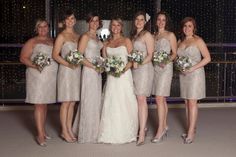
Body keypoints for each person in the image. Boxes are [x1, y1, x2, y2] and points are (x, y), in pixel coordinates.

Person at [98, 18, 138, 144]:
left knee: (124, 101)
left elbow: (132, 59)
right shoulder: (107, 42)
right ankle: (109, 132)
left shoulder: (127, 41)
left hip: (124, 75)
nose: (115, 27)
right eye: (113, 25)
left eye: (118, 25)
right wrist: (109, 67)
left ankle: (127, 132)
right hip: (111, 77)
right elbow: (104, 60)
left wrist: (121, 70)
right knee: (111, 101)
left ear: (121, 27)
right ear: (110, 27)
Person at [20, 19, 58, 146]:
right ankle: (40, 135)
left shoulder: (52, 41)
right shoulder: (32, 41)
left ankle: (43, 130)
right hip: (37, 76)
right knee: (39, 104)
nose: (43, 29)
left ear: (48, 28)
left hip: (50, 77)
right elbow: (23, 58)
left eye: (45, 26)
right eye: (40, 27)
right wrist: (36, 66)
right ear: (37, 29)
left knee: (45, 104)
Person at [177, 17, 211, 144]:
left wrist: (192, 68)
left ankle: (191, 132)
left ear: (194, 27)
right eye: (185, 26)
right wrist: (180, 66)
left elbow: (207, 58)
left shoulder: (198, 40)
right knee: (186, 102)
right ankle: (190, 128)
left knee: (192, 102)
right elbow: (178, 58)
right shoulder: (180, 41)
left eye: (189, 26)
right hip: (184, 75)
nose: (187, 28)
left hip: (195, 74)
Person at [72, 12, 103, 143]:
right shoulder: (85, 36)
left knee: (96, 100)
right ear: (88, 22)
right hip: (89, 72)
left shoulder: (97, 37)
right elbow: (78, 57)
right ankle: (87, 132)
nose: (94, 23)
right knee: (89, 100)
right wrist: (93, 66)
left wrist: (101, 65)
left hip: (97, 73)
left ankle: (95, 130)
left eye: (96, 20)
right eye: (92, 21)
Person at [52, 10, 80, 143]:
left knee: (73, 101)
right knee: (66, 101)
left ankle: (69, 129)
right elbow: (55, 55)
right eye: (67, 19)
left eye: (72, 18)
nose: (70, 21)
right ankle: (64, 131)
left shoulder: (77, 35)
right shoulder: (61, 36)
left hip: (76, 71)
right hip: (66, 71)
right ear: (64, 21)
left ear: (75, 20)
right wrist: (68, 64)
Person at [151, 11, 177, 143]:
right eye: (159, 19)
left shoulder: (170, 35)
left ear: (166, 22)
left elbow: (174, 53)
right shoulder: (153, 35)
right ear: (156, 21)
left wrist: (165, 61)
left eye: (163, 20)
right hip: (155, 68)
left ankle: (160, 129)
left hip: (165, 68)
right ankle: (165, 125)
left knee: (159, 97)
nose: (161, 22)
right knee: (162, 99)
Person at [130, 11, 154, 146]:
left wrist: (139, 63)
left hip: (144, 69)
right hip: (135, 70)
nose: (139, 22)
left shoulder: (147, 35)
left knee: (141, 99)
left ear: (145, 22)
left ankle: (142, 133)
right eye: (137, 19)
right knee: (136, 100)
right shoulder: (133, 36)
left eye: (142, 20)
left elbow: (150, 55)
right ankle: (142, 127)